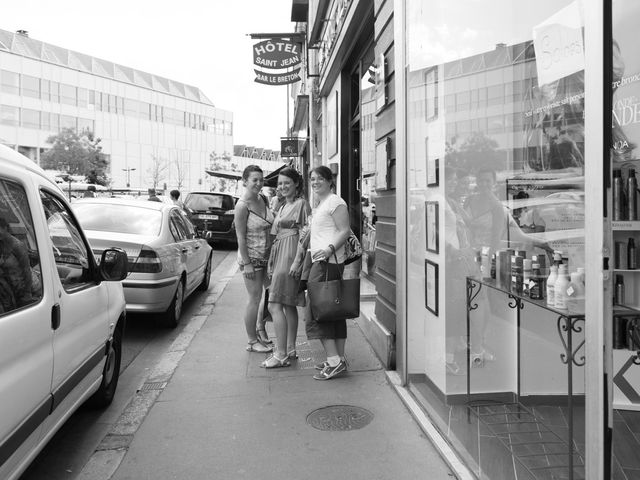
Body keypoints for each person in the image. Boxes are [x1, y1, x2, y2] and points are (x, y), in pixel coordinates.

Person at [294, 165, 351, 380]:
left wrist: (328, 250)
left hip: (328, 261)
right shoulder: (321, 204)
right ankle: (337, 359)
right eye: (312, 179)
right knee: (333, 312)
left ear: (330, 181)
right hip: (324, 261)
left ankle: (335, 362)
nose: (315, 182)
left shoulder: (335, 202)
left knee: (318, 312)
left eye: (319, 178)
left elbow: (344, 231)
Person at [260, 168, 311, 368]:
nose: (282, 187)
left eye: (286, 183)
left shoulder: (301, 204)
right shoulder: (282, 206)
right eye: (280, 184)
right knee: (288, 303)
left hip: (290, 254)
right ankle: (290, 348)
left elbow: (306, 233)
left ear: (296, 184)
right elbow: (276, 234)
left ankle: (280, 353)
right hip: (281, 251)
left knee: (274, 304)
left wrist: (298, 261)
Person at [234, 165, 274, 353]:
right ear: (245, 181)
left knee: (269, 294)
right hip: (252, 259)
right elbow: (240, 236)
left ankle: (259, 330)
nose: (259, 183)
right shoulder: (242, 206)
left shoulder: (263, 199)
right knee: (254, 298)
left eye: (261, 179)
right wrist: (248, 264)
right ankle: (252, 341)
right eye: (254, 180)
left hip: (267, 258)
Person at [0, 217, 32, 313]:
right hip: (7, 291)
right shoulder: (1, 245)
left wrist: (27, 294)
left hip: (20, 290)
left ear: (5, 228)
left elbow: (26, 270)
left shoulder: (18, 246)